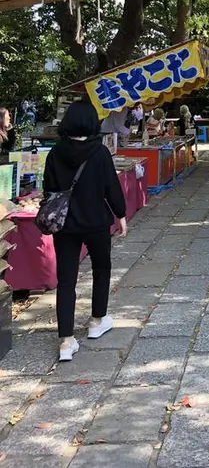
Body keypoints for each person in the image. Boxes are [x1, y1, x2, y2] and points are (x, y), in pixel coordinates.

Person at [42, 101, 127, 362]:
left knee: (66, 280)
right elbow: (111, 187)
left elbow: (48, 188)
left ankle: (66, 340)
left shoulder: (55, 152)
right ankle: (97, 320)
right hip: (95, 222)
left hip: (65, 225)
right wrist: (121, 215)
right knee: (102, 268)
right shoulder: (99, 152)